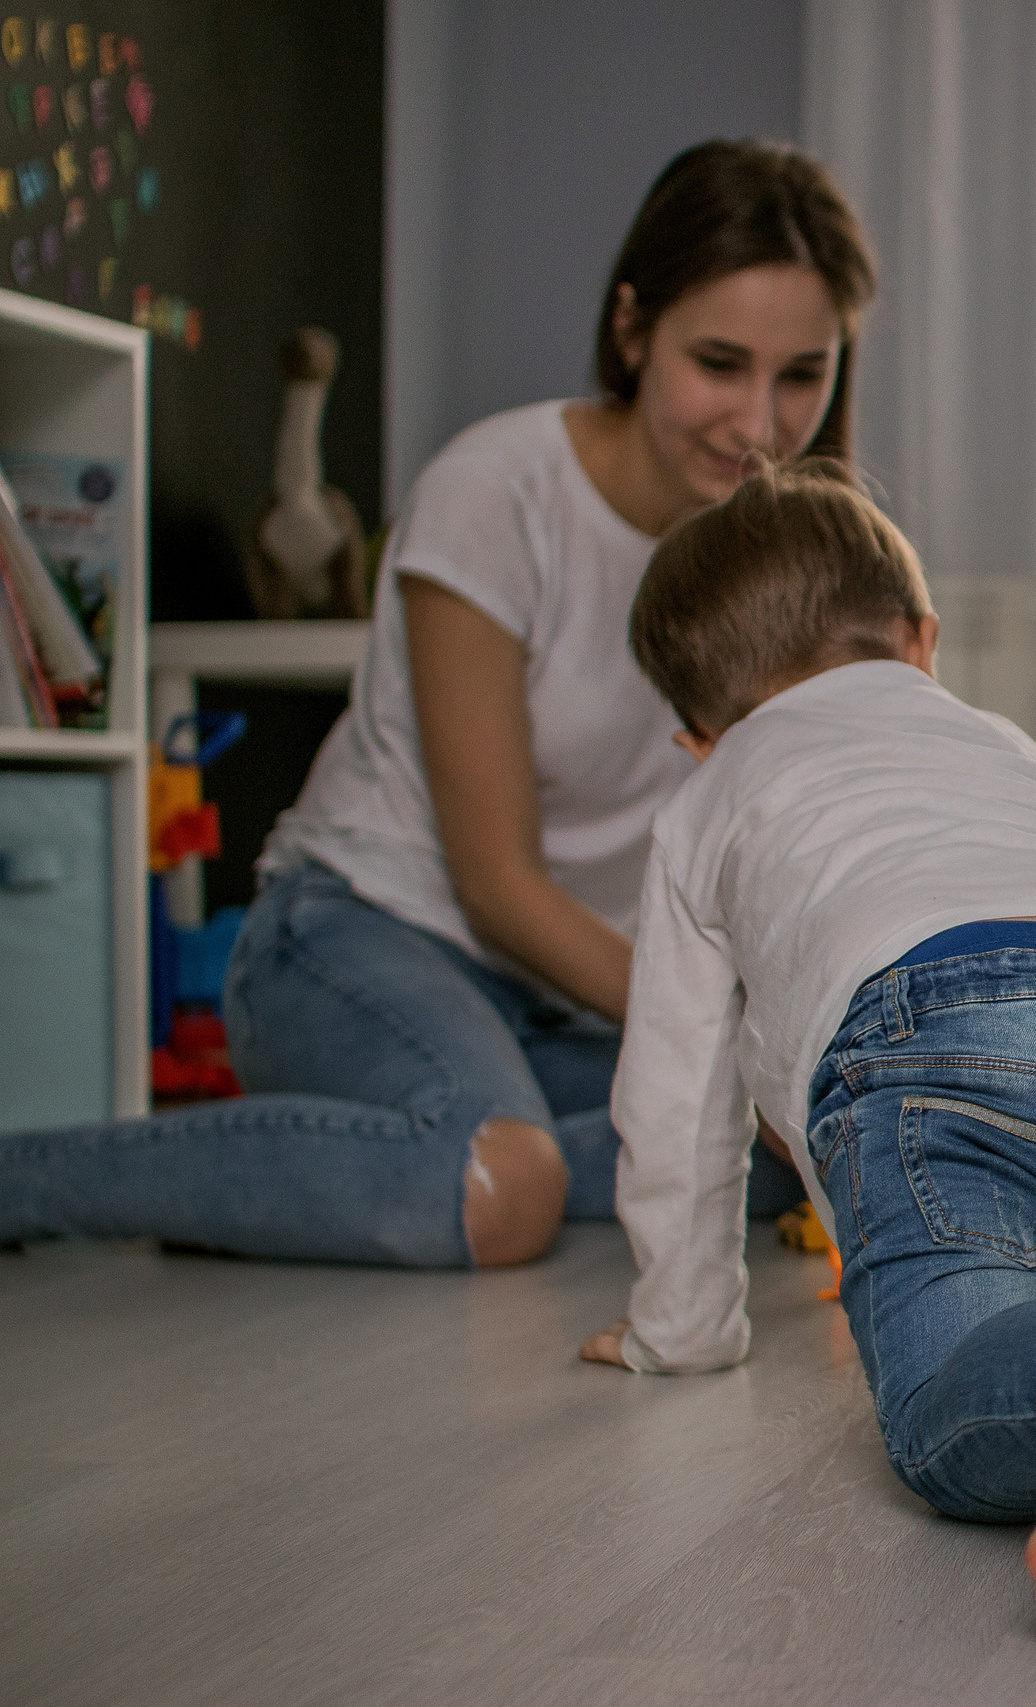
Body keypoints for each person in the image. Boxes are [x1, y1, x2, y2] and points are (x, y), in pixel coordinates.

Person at [2, 140, 872, 1267]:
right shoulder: (495, 489)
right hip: (360, 939)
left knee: (799, 1141)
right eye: (720, 363)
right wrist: (732, 1037)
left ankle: (353, 1174)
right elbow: (496, 884)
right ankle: (28, 1179)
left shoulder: (792, 557)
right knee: (508, 1180)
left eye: (802, 374)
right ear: (630, 328)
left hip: (560, 1002)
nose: (760, 423)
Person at [577, 462, 1036, 1648]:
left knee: (943, 1401)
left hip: (938, 1033)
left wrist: (679, 1327)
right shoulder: (996, 738)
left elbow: (677, 1096)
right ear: (922, 643)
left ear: (695, 737)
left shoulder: (708, 796)